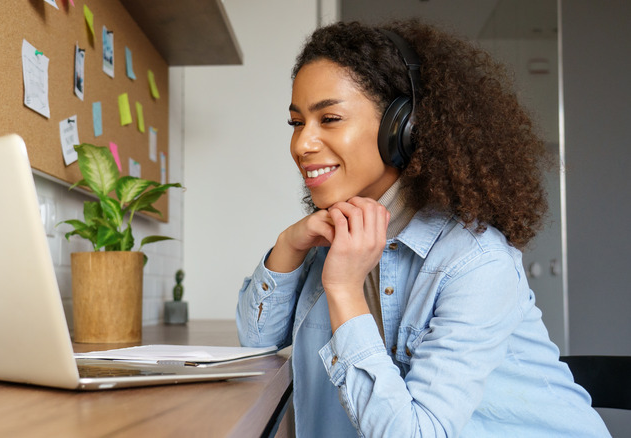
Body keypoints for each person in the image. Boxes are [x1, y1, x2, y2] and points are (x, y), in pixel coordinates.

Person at [236, 19, 610, 437]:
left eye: (330, 118)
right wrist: (289, 244)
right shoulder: (333, 236)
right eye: (296, 122)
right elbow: (256, 342)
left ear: (402, 126)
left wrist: (343, 290)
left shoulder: (476, 261)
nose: (302, 144)